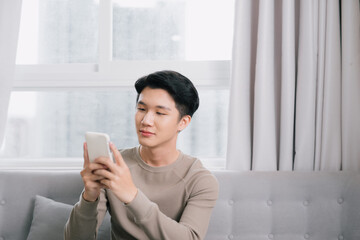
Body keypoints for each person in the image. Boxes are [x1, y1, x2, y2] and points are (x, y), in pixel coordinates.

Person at [64, 70, 219, 240]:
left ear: (183, 122)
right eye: (141, 109)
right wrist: (89, 197)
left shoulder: (200, 180)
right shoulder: (114, 166)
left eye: (159, 113)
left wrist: (132, 196)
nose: (146, 120)